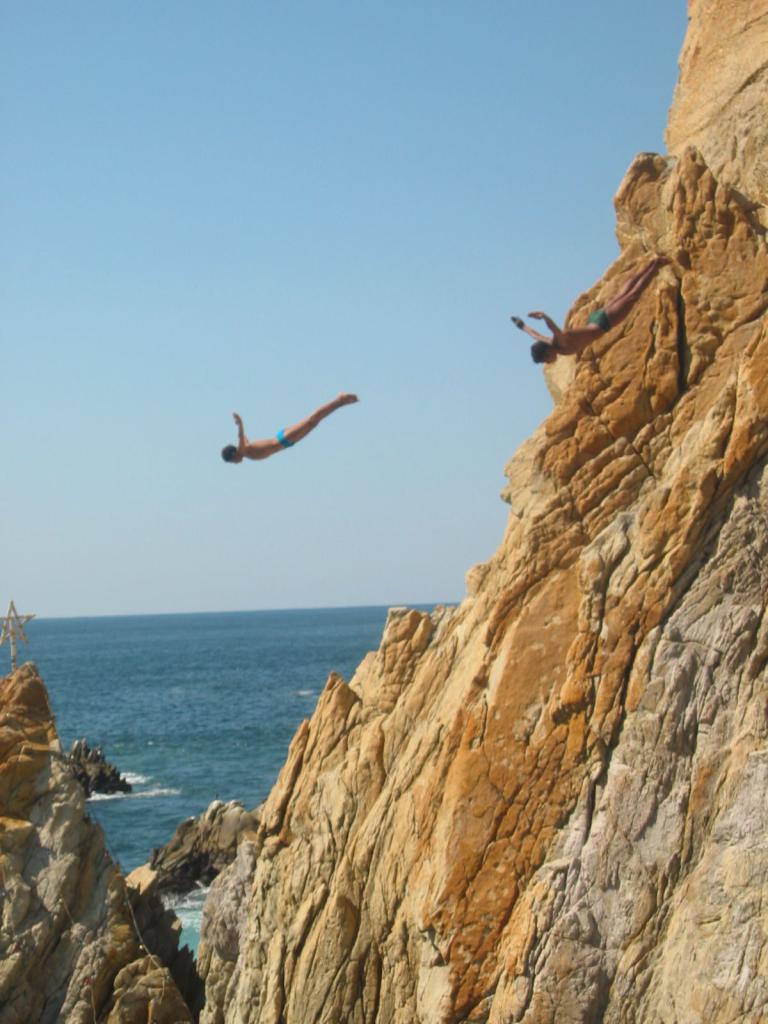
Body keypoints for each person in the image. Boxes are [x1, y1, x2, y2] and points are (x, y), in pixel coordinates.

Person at [511, 256, 668, 364]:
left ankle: (656, 265)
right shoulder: (549, 342)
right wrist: (520, 325)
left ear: (547, 353)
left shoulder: (561, 344)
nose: (548, 362)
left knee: (632, 296)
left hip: (603, 324)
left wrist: (544, 316)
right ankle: (650, 264)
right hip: (595, 319)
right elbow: (534, 334)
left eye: (546, 360)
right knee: (622, 295)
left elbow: (553, 328)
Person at [221, 393, 359, 463]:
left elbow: (241, 437)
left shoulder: (243, 451)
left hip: (283, 439)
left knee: (311, 420)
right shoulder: (245, 448)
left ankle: (339, 400)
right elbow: (243, 439)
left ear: (234, 455)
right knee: (314, 423)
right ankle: (341, 403)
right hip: (286, 441)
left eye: (233, 461)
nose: (236, 463)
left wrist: (240, 424)